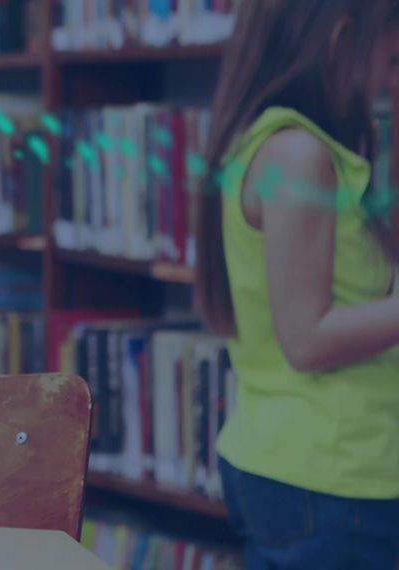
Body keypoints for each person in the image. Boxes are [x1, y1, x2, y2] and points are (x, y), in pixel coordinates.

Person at [196, 1, 399, 567]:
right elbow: (306, 339)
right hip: (333, 476)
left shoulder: (279, 143)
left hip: (302, 464)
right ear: (341, 43)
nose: (390, 79)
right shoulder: (299, 155)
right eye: (392, 58)